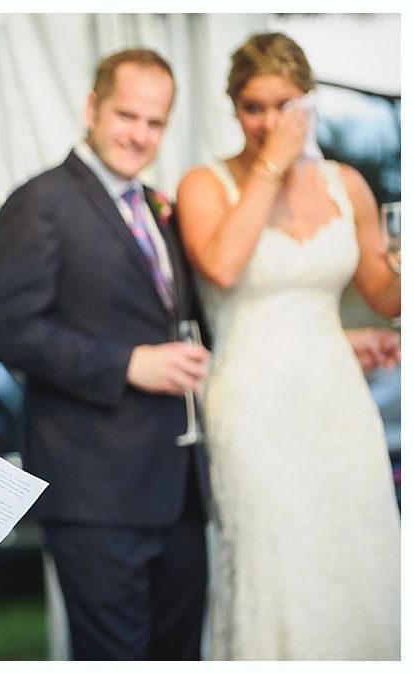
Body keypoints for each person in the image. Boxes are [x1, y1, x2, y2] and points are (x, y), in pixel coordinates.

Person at [174, 32, 400, 660]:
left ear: (310, 102)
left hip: (338, 402)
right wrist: (274, 164)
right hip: (254, 407)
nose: (268, 122)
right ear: (234, 107)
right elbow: (221, 266)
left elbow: (387, 294)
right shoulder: (205, 185)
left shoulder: (344, 184)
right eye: (253, 106)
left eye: (284, 105)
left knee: (358, 553)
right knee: (276, 558)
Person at [0, 49, 210, 660]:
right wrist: (128, 363)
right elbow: (7, 331)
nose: (139, 134)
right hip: (96, 493)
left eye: (154, 122)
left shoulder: (158, 208)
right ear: (92, 107)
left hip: (181, 489)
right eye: (126, 115)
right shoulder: (40, 202)